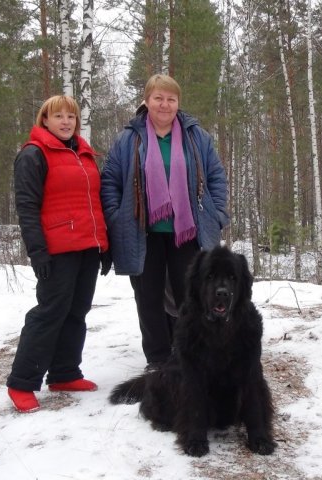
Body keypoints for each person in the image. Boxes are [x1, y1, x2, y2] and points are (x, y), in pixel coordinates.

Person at [101, 74, 229, 370]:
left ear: (178, 103)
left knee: (191, 296)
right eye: (158, 98)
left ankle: (190, 353)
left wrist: (218, 213)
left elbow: (216, 176)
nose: (164, 104)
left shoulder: (197, 136)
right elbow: (110, 180)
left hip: (188, 231)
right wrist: (115, 215)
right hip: (141, 230)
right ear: (146, 101)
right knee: (148, 297)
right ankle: (158, 358)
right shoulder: (129, 138)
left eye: (171, 99)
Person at [7, 95, 111, 413]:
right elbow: (27, 207)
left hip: (87, 248)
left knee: (76, 312)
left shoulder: (85, 154)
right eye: (58, 116)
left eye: (71, 116)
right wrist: (37, 251)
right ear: (45, 120)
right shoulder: (34, 155)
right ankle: (21, 383)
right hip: (56, 250)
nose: (66, 121)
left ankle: (65, 373)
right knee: (49, 313)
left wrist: (104, 245)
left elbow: (96, 203)